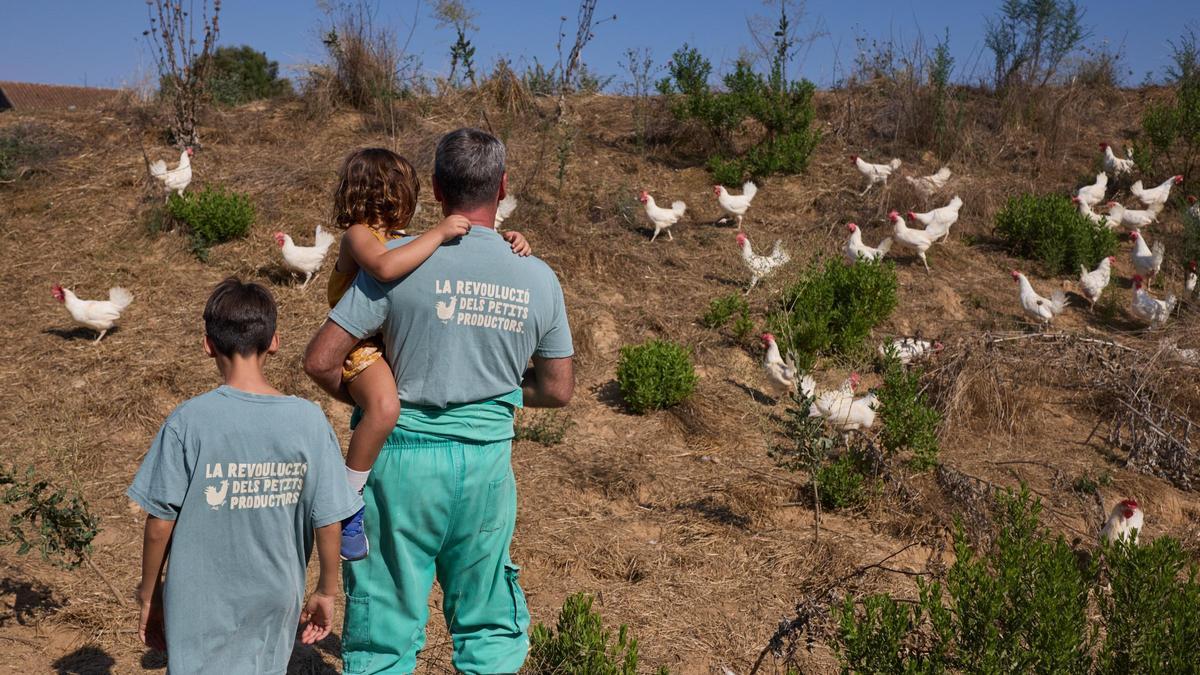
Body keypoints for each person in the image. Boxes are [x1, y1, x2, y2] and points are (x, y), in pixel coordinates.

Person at [304, 128, 575, 675]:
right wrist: (494, 390)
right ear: (502, 187)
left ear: (435, 189)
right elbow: (557, 389)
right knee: (487, 620)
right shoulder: (538, 276)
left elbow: (321, 359)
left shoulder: (397, 261)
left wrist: (375, 400)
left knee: (384, 625)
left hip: (399, 465)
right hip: (487, 466)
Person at [128, 278, 362, 674]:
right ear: (274, 341)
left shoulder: (189, 420)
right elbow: (329, 518)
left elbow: (159, 523)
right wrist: (326, 590)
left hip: (199, 601)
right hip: (276, 595)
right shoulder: (308, 419)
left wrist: (151, 594)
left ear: (207, 344)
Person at [325, 148, 530, 561]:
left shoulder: (401, 240)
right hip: (362, 348)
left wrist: (504, 241)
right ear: (391, 194)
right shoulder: (359, 234)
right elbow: (384, 268)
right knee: (384, 409)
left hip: (385, 342)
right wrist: (437, 234)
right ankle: (347, 503)